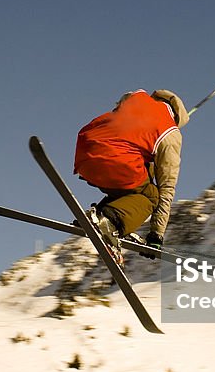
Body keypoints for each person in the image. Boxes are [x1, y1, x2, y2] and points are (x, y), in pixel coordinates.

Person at [73, 88, 188, 253]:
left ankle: (98, 215)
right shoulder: (171, 133)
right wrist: (156, 234)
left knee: (133, 185)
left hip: (85, 154)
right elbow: (167, 187)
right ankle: (110, 222)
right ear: (177, 118)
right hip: (115, 162)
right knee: (152, 196)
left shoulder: (136, 98)